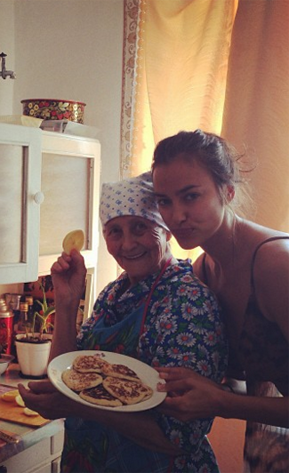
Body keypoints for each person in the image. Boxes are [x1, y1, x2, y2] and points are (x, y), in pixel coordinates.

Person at [18, 172, 228, 472]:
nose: (127, 244)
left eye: (140, 227)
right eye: (114, 231)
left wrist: (79, 407)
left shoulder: (188, 302)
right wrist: (66, 304)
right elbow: (65, 376)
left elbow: (178, 438)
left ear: (166, 230)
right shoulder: (113, 293)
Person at [151, 129, 289, 472]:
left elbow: (226, 397)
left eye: (191, 196)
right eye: (164, 201)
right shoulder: (204, 271)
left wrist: (220, 402)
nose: (176, 215)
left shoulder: (276, 265)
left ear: (227, 191)